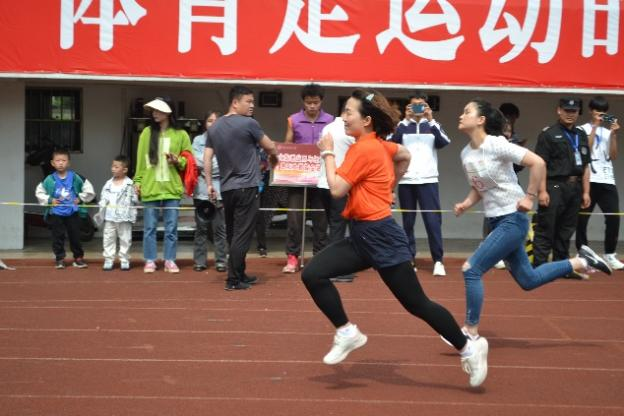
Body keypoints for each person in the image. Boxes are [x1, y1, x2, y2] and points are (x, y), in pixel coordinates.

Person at [303, 89, 489, 388]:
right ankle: (347, 332)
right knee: (313, 274)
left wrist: (327, 152)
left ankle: (469, 347)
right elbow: (404, 155)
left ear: (366, 120)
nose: (343, 117)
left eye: (348, 112)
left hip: (381, 235)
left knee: (417, 304)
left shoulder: (364, 149)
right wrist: (389, 186)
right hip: (362, 235)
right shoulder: (380, 145)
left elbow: (336, 189)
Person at [453, 98, 611, 340]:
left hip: (512, 219)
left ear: (481, 120)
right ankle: (581, 261)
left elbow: (538, 162)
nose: (461, 115)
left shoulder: (496, 145)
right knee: (528, 279)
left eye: (467, 112)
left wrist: (529, 197)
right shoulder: (466, 153)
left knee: (471, 269)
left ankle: (470, 331)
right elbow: (481, 186)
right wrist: (466, 203)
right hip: (495, 220)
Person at [204, 85, 279, 291]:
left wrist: (209, 184)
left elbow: (207, 157)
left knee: (233, 234)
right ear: (235, 103)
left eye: (253, 102)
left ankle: (240, 273)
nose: (252, 105)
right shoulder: (249, 123)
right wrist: (274, 157)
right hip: (247, 186)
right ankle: (233, 279)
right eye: (249, 101)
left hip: (227, 188)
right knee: (242, 234)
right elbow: (270, 146)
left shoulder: (215, 127)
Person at [391, 92, 449, 276]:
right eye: (414, 105)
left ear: (427, 106)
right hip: (406, 180)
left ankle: (438, 260)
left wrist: (431, 120)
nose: (418, 108)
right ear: (408, 107)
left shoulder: (432, 125)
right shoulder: (402, 126)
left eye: (421, 105)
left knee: (433, 222)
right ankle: (410, 259)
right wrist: (404, 120)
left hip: (428, 179)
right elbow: (391, 144)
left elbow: (444, 142)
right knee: (408, 222)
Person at [532, 98, 591, 278]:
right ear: (559, 110)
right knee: (546, 227)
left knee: (567, 229)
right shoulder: (548, 134)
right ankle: (540, 268)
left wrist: (586, 192)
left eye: (574, 111)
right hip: (554, 185)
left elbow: (586, 165)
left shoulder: (581, 135)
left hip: (575, 186)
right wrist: (542, 191)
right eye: (566, 110)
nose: (570, 114)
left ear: (578, 112)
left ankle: (562, 268)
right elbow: (540, 164)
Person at [134, 97, 193, 274]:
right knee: (149, 228)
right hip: (150, 186)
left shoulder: (181, 134)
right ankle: (150, 260)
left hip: (172, 188)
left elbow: (189, 161)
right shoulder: (146, 133)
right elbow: (141, 161)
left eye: (158, 110)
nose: (155, 113)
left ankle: (170, 259)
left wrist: (178, 160)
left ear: (168, 112)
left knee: (171, 228)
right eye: (153, 110)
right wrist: (137, 181)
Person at [282, 83, 334, 273]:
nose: (312, 106)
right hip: (298, 177)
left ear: (321, 101)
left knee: (321, 218)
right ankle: (292, 257)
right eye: (308, 102)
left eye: (316, 102)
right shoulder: (293, 120)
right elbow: (287, 145)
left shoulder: (331, 121)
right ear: (303, 102)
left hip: (321, 176)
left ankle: (319, 257)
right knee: (295, 218)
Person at [575, 96, 623, 270]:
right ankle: (583, 253)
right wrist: (594, 126)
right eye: (597, 110)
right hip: (588, 178)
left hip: (607, 179)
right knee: (582, 218)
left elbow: (613, 155)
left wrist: (614, 134)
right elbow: (585, 151)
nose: (600, 114)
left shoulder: (607, 131)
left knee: (613, 217)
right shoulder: (582, 129)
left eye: (603, 111)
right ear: (590, 110)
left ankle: (610, 254)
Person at [35, 149, 95, 269]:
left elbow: (89, 190)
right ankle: (60, 259)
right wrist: (49, 200)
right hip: (56, 213)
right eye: (58, 160)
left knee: (75, 236)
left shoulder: (76, 177)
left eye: (64, 160)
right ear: (52, 163)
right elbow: (39, 192)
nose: (61, 163)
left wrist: (80, 198)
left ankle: (78, 258)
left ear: (68, 163)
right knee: (57, 237)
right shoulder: (49, 179)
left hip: (73, 213)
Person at [317, 113, 355, 282]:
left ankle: (335, 266)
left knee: (334, 226)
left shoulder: (328, 127)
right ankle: (336, 270)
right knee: (338, 228)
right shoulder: (349, 132)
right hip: (340, 185)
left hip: (324, 183)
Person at [192, 111, 227, 273]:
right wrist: (210, 163)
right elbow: (196, 161)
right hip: (201, 189)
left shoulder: (227, 139)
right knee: (201, 228)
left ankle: (221, 261)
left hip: (220, 188)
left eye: (216, 121)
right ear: (204, 123)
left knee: (220, 228)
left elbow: (224, 164)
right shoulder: (198, 140)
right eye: (209, 120)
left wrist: (206, 163)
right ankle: (200, 261)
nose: (213, 123)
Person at [95, 155, 138, 271]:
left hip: (125, 217)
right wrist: (101, 208)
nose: (113, 169)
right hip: (110, 217)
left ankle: (124, 260)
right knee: (108, 238)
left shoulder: (130, 184)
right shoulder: (108, 184)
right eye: (112, 166)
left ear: (125, 169)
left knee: (125, 238)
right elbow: (103, 198)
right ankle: (109, 259)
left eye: (116, 167)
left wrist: (137, 194)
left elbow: (135, 200)